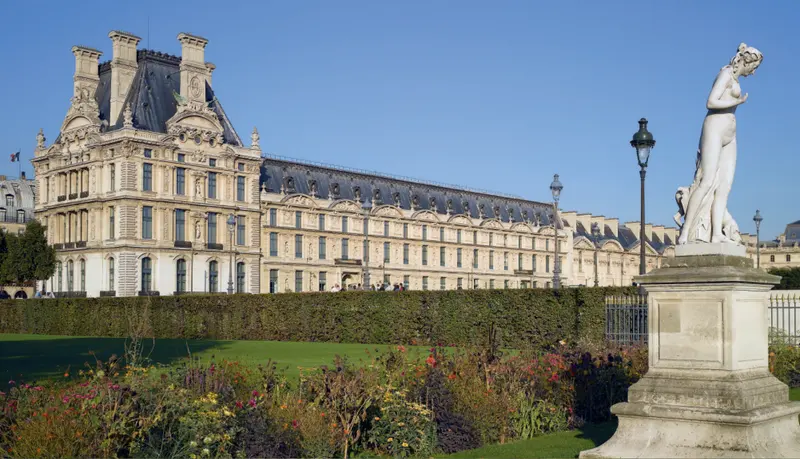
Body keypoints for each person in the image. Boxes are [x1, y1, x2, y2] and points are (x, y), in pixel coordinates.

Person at [677, 43, 763, 245]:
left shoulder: (735, 79)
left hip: (730, 134)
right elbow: (711, 102)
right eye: (754, 67)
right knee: (706, 181)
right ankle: (686, 232)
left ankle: (717, 234)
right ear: (746, 60)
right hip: (714, 128)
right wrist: (737, 102)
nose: (754, 72)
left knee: (724, 187)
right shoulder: (725, 74)